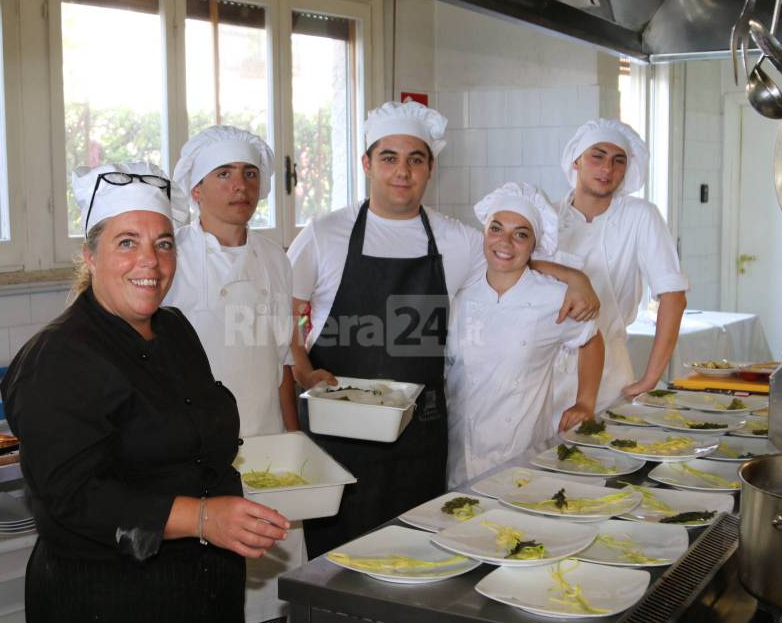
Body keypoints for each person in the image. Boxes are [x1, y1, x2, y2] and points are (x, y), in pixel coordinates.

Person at [1, 161, 290, 623]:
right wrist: (203, 517)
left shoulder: (174, 330)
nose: (150, 263)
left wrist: (226, 517)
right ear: (90, 255)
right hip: (110, 606)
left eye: (163, 243)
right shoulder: (58, 357)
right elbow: (73, 497)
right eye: (127, 242)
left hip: (202, 594)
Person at [287, 101, 598, 557]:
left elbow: (510, 251)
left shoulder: (456, 239)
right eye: (389, 158)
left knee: (418, 553)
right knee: (338, 559)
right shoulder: (324, 233)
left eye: (415, 159)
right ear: (366, 163)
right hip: (339, 430)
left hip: (419, 434)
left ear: (431, 168)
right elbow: (284, 318)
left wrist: (576, 277)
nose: (402, 171)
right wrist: (303, 370)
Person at [165, 127, 302, 623]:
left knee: (267, 596)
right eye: (223, 174)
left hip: (267, 452)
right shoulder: (170, 256)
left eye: (249, 173)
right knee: (204, 603)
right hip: (194, 458)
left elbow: (281, 361)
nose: (239, 185)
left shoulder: (275, 257)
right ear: (195, 189)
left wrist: (296, 446)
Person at [446, 182, 604, 488]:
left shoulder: (554, 297)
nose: (505, 242)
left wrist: (585, 402)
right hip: (459, 445)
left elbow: (591, 339)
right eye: (496, 229)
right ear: (485, 233)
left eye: (520, 234)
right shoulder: (460, 292)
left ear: (534, 245)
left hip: (520, 444)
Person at [542, 119, 688, 425]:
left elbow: (673, 296)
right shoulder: (547, 216)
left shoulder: (640, 216)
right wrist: (573, 277)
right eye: (597, 156)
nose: (607, 169)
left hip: (609, 373)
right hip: (544, 374)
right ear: (576, 160)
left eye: (618, 160)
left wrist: (650, 377)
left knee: (600, 464)